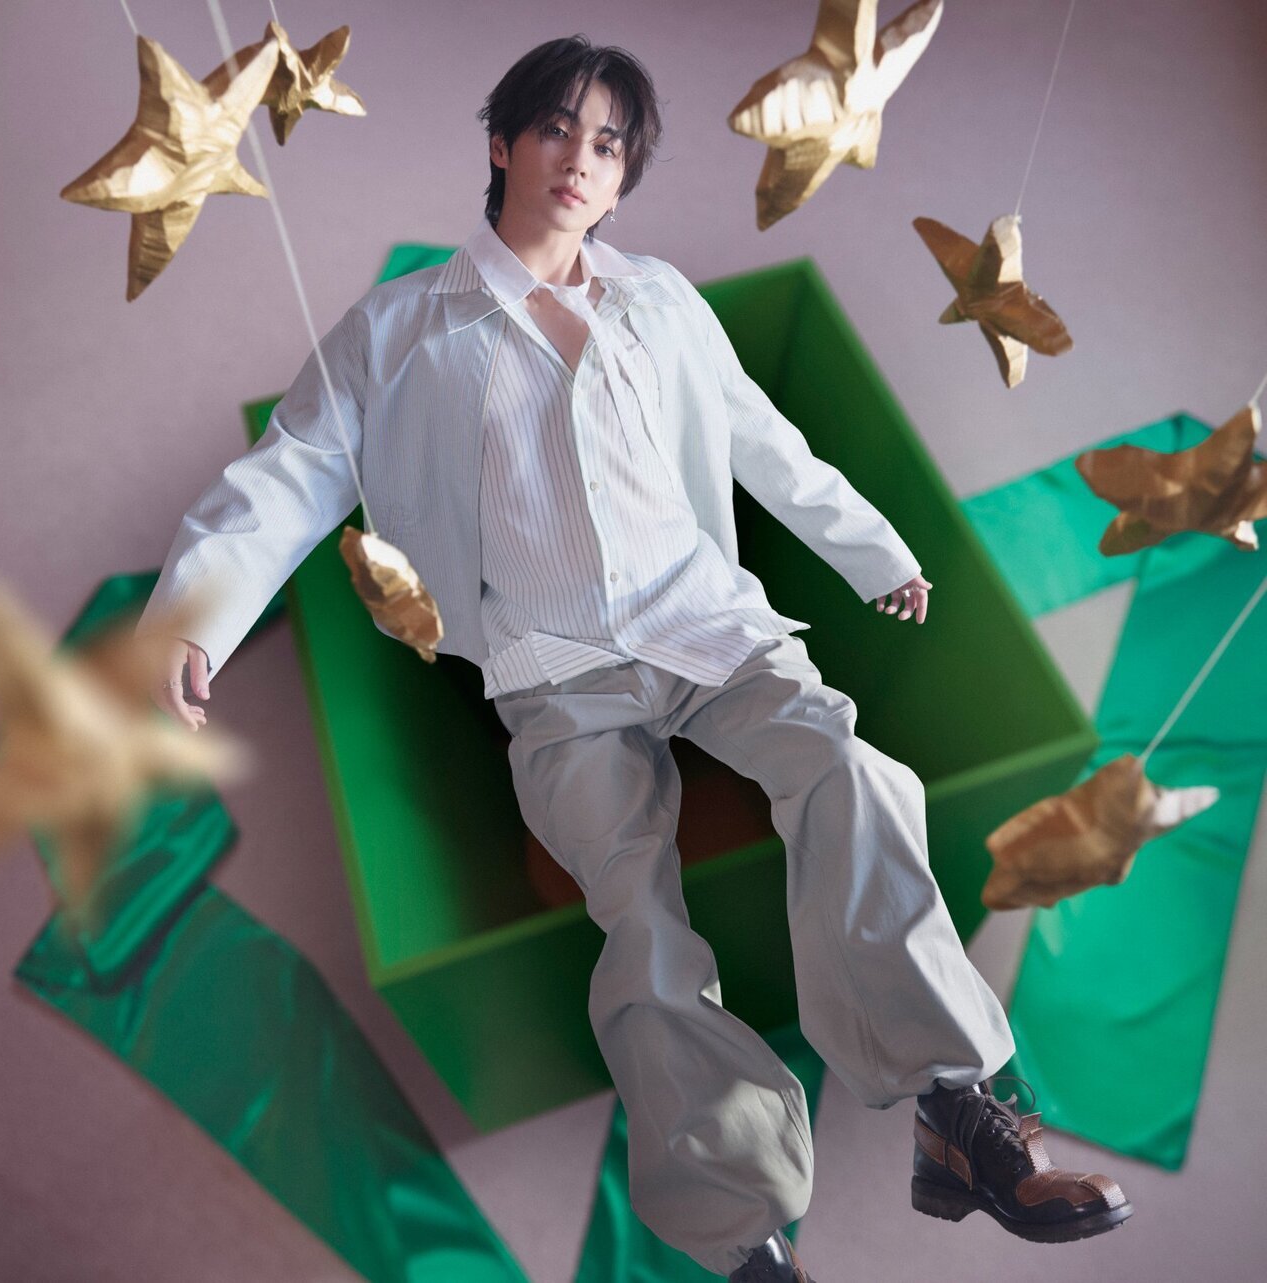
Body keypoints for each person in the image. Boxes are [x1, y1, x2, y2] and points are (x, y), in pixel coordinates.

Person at [138, 34, 1132, 1282]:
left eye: (607, 143)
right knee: (642, 926)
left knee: (851, 772)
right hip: (555, 669)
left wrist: (871, 550)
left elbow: (762, 439)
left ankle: (954, 1107)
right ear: (501, 142)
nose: (580, 158)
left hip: (708, 626)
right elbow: (286, 474)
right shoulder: (398, 332)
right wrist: (195, 615)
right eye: (557, 128)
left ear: (623, 176)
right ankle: (743, 1234)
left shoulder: (658, 301)